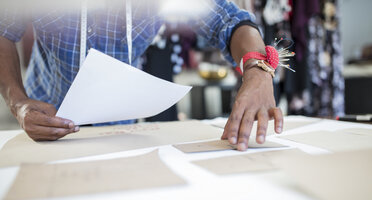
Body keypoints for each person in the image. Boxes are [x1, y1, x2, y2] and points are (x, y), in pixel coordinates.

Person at [0, 0, 283, 151]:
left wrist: (259, 70)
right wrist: (18, 103)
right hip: (44, 125)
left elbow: (227, 20)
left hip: (122, 131)